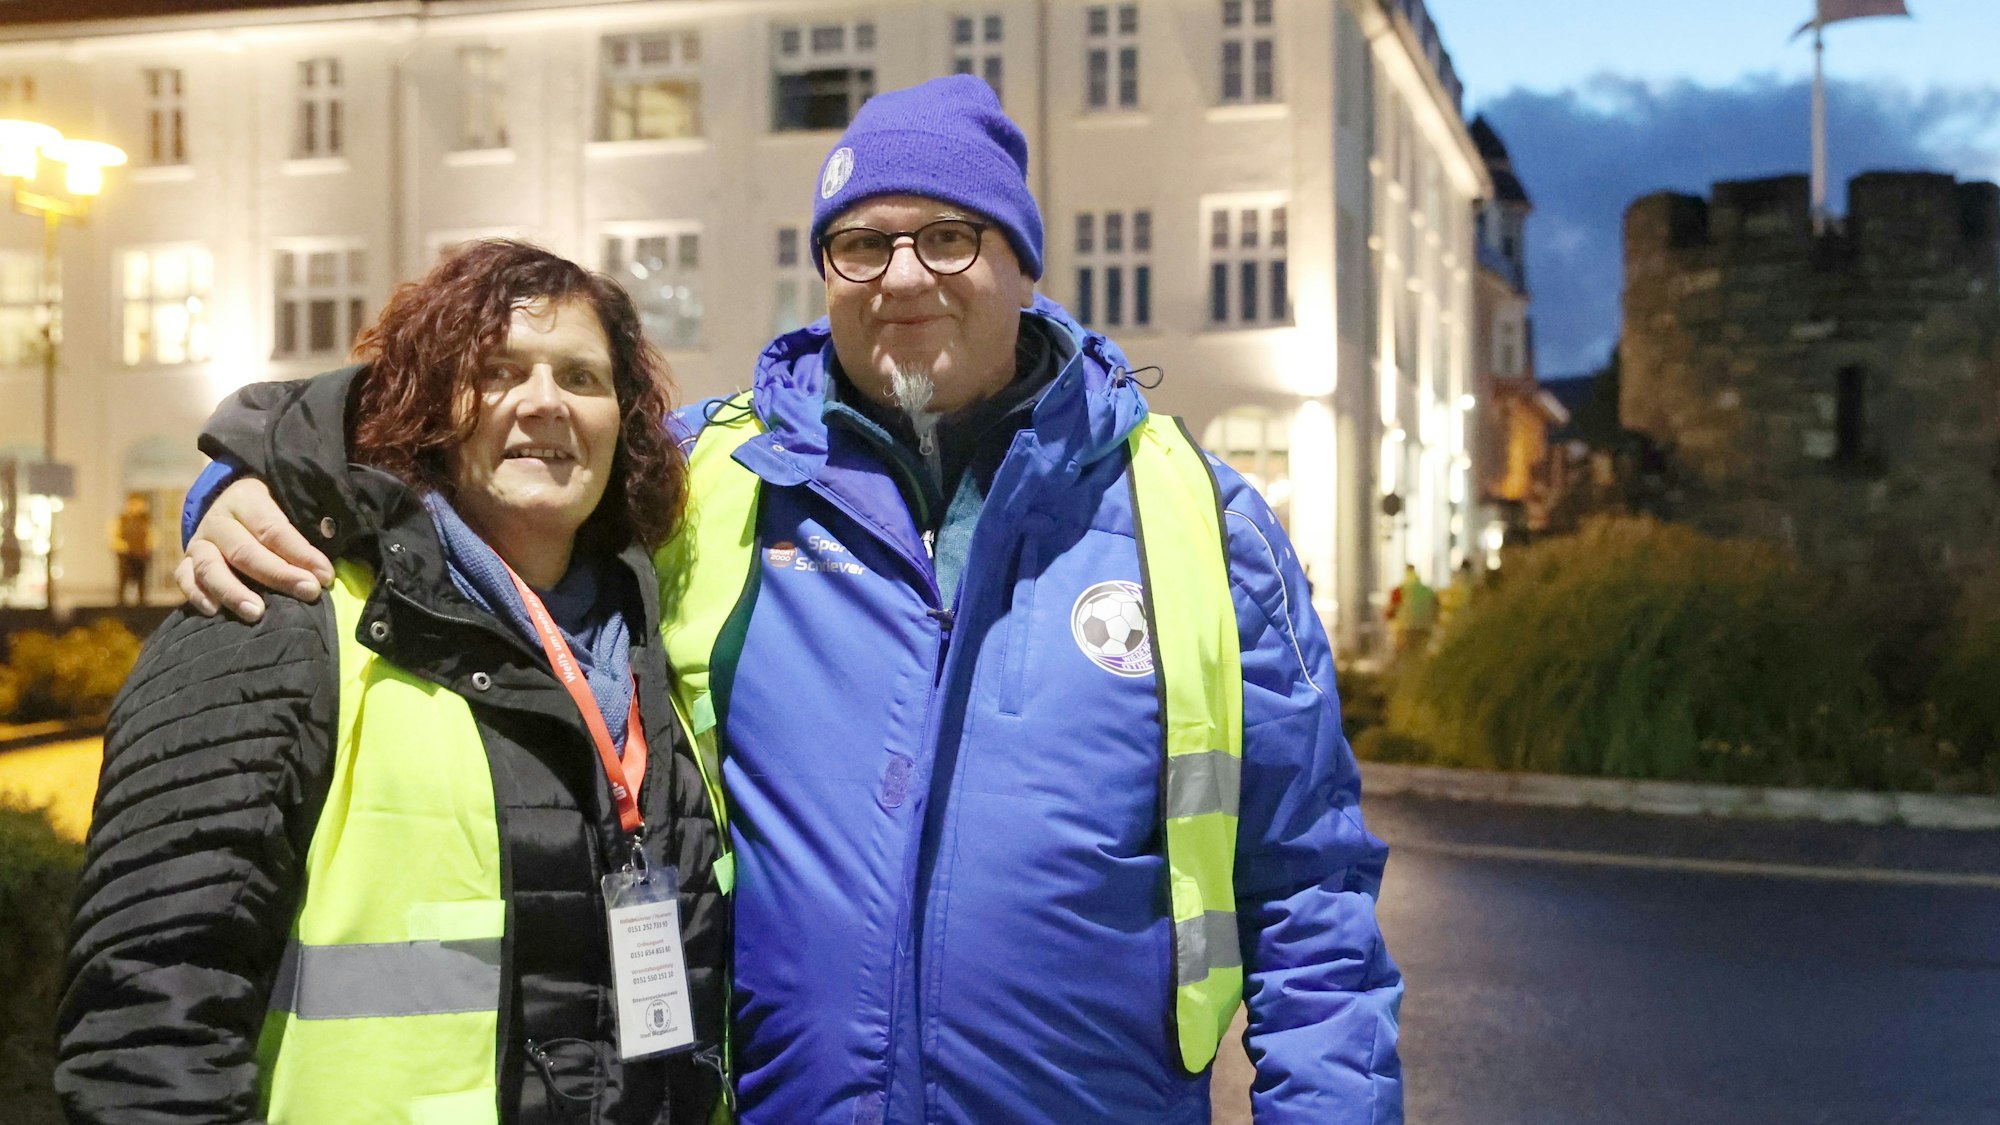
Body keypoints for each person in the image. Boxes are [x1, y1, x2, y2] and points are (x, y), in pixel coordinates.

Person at [176, 76, 1402, 1124]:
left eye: (949, 236)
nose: (901, 275)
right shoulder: (710, 474)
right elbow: (473, 456)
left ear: (1024, 264)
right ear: (825, 269)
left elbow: (1309, 895)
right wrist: (249, 479)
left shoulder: (1187, 514)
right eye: (860, 243)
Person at [59, 241, 728, 1124]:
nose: (544, 402)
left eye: (581, 376)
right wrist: (240, 472)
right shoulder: (277, 613)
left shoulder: (647, 637)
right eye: (496, 371)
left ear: (624, 420)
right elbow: (148, 1021)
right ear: (429, 403)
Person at [108, 493, 154, 605]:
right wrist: (123, 547)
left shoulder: (146, 520)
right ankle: (121, 601)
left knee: (141, 579)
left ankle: (142, 601)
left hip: (141, 555)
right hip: (126, 555)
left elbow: (152, 535)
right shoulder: (121, 520)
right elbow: (113, 535)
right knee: (123, 578)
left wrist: (148, 546)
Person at [1386, 564, 1438, 658]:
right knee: (1420, 655)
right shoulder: (1428, 590)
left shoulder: (1399, 590)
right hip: (1425, 628)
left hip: (1405, 630)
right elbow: (1436, 608)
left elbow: (1390, 612)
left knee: (1404, 656)